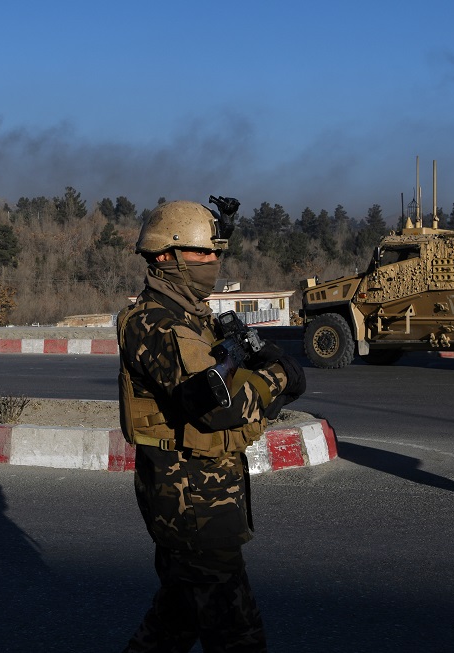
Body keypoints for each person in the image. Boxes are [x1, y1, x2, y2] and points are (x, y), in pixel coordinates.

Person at [117, 199, 305, 652]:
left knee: (178, 618)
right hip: (188, 500)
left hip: (205, 490)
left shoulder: (194, 319)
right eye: (203, 253)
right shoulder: (154, 324)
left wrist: (253, 365)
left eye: (216, 252)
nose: (214, 262)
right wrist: (272, 378)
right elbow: (220, 405)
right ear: (167, 257)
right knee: (236, 631)